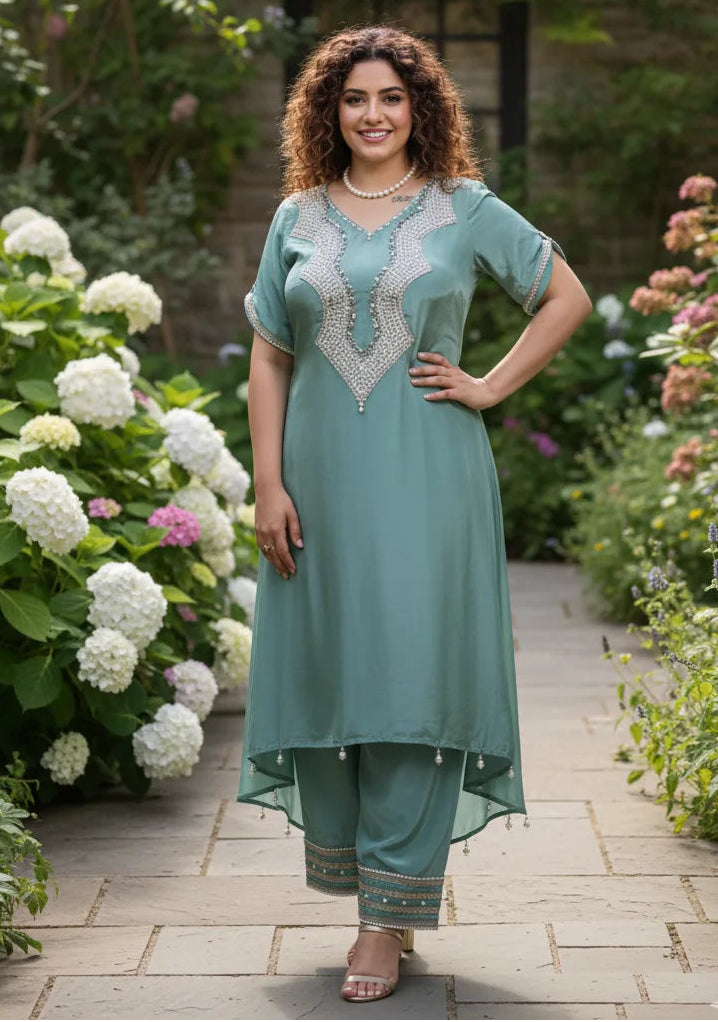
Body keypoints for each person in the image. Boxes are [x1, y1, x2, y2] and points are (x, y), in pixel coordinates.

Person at [237, 24, 592, 1003]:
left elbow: (564, 297)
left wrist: (488, 384)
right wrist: (266, 482)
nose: (372, 114)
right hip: (315, 485)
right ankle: (377, 890)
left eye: (391, 97)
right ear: (329, 111)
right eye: (354, 98)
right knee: (334, 685)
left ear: (420, 106)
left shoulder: (462, 208)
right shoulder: (296, 218)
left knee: (408, 681)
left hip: (428, 481)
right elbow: (271, 352)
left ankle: (384, 920)